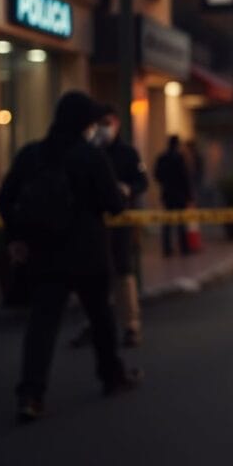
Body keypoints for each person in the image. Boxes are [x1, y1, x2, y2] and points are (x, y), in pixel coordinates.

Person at [0, 91, 141, 423]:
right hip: (89, 255)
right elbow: (115, 206)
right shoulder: (90, 157)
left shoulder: (32, 155)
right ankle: (111, 376)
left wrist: (16, 237)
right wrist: (117, 193)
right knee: (102, 320)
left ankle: (31, 395)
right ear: (85, 124)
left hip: (45, 256)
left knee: (41, 327)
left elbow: (6, 199)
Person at [69, 105, 149, 348]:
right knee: (94, 275)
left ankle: (130, 326)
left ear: (115, 123)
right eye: (98, 122)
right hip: (93, 224)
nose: (103, 128)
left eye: (106, 122)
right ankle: (94, 324)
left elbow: (142, 181)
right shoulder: (89, 151)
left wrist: (128, 189)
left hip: (120, 221)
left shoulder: (127, 154)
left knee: (123, 271)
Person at [154, 135, 193, 257]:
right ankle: (183, 247)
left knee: (168, 223)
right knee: (180, 222)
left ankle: (168, 249)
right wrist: (189, 195)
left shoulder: (162, 158)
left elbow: (157, 175)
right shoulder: (179, 158)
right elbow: (185, 177)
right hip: (178, 194)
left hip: (168, 193)